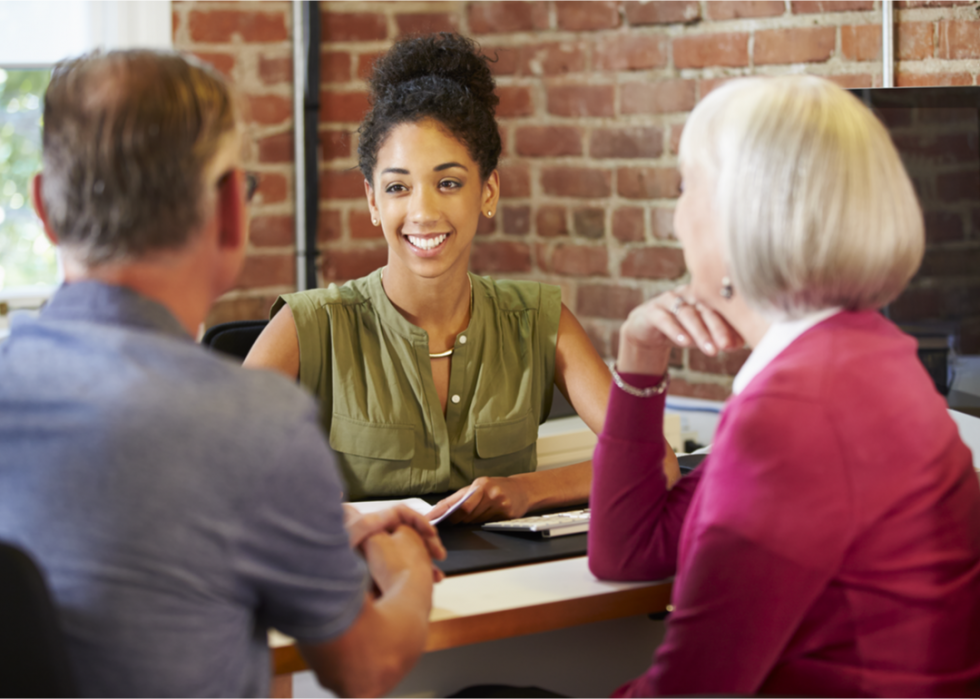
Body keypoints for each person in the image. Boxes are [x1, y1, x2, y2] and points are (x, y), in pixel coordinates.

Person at [0, 49, 446, 698]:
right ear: (233, 211)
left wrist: (318, 524)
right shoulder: (250, 425)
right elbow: (364, 667)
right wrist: (405, 570)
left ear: (43, 206)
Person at [589, 75, 980, 696]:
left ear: (735, 213)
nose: (673, 219)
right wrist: (639, 355)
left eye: (686, 187)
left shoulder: (797, 410)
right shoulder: (862, 357)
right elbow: (630, 550)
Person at [245, 32, 679, 523]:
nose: (423, 210)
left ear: (488, 191)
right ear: (372, 201)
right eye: (397, 187)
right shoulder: (307, 326)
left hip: (503, 586)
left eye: (448, 183)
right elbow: (215, 476)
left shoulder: (539, 320)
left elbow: (653, 461)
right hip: (368, 587)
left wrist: (525, 490)